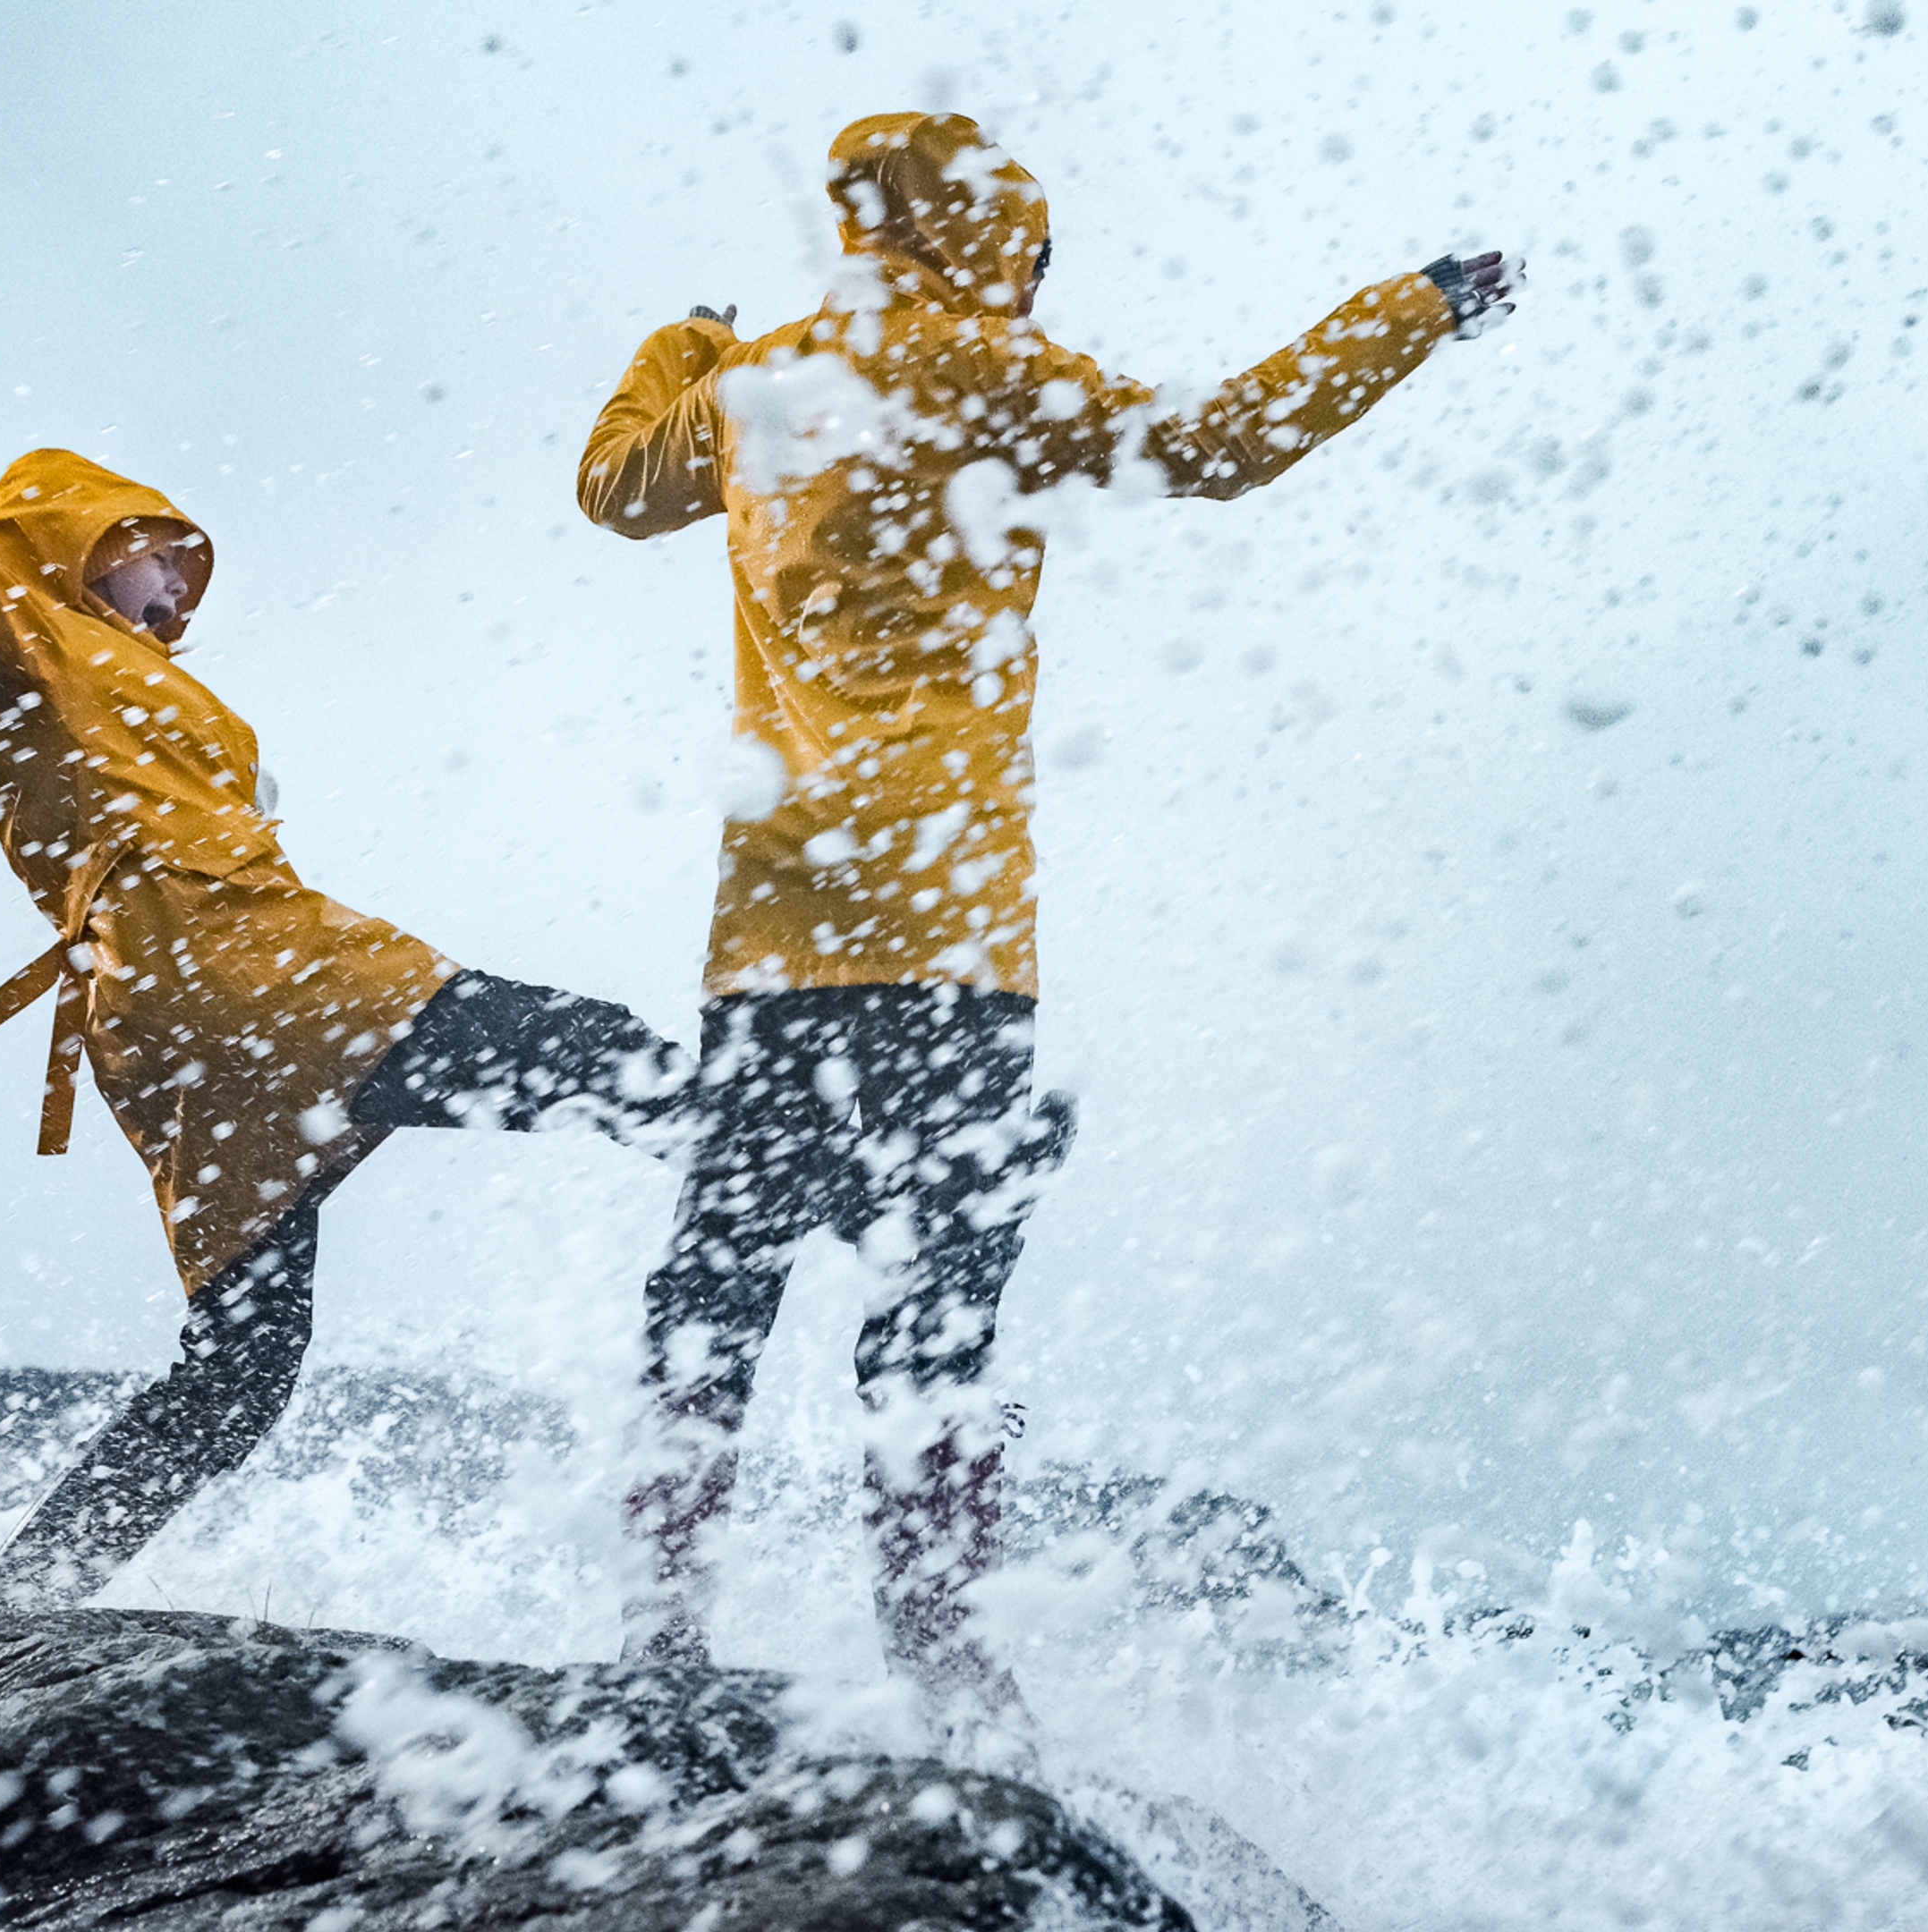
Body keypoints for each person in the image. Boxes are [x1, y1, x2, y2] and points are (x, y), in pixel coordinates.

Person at [0, 233, 692, 1612]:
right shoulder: (22, 634)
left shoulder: (99, 683)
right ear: (90, 545)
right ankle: (821, 1176)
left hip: (165, 1029)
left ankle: (20, 1604)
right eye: (164, 555)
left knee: (236, 1378)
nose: (184, 586)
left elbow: (110, 787)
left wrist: (227, 786)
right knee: (601, 1051)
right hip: (244, 966)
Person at [579, 113, 1517, 1729]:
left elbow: (609, 487)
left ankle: (658, 1628)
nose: (1033, 283)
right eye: (1029, 254)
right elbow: (1225, 441)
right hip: (949, 926)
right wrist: (1416, 303)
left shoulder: (752, 393)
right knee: (936, 1296)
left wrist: (694, 341)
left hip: (773, 930)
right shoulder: (979, 367)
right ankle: (942, 1657)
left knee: (715, 1282)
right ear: (984, 234)